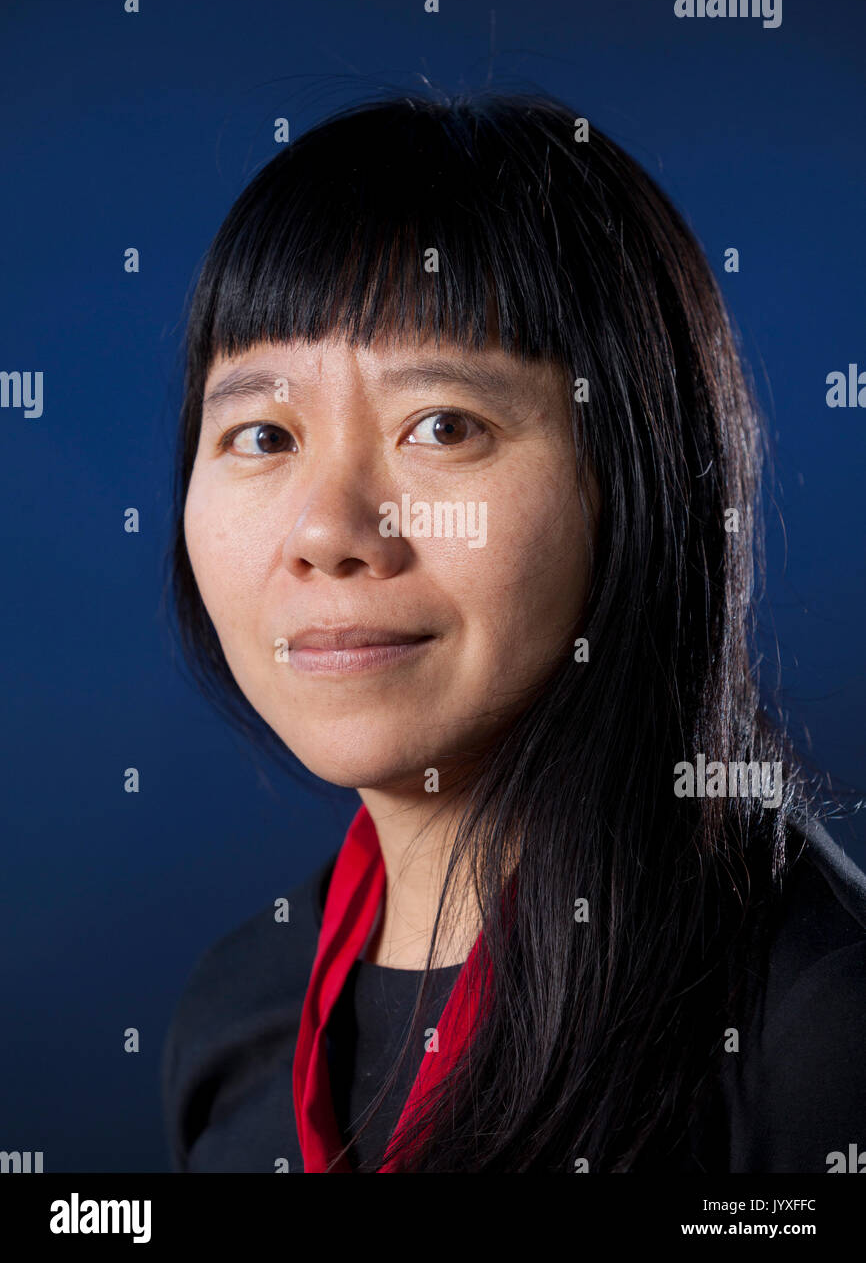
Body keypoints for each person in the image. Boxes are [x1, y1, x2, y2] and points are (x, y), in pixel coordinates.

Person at [161, 89, 866, 1173]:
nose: (328, 531)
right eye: (261, 433)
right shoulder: (238, 1008)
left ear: (630, 484)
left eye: (442, 425)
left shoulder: (813, 1033)